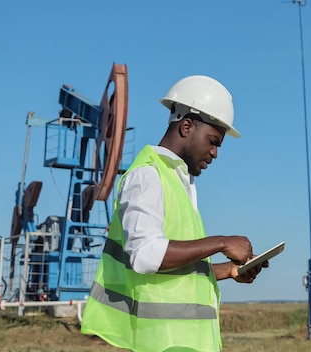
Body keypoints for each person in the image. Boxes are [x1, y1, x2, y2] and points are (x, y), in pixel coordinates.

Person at [81, 75, 268, 352]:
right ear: (187, 126)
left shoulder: (178, 182)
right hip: (163, 343)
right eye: (213, 141)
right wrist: (222, 242)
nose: (215, 153)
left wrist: (229, 271)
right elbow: (145, 256)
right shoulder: (148, 175)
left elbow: (176, 274)